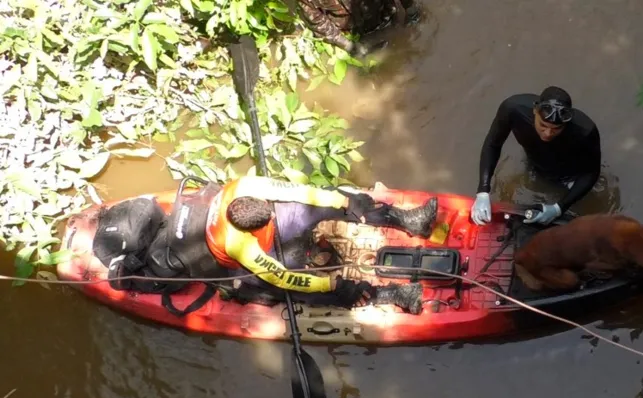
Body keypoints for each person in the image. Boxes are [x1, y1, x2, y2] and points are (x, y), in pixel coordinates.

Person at [204, 175, 438, 314]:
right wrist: (330, 284)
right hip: (257, 258)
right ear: (248, 230)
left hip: (267, 231)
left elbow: (302, 192)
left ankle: (409, 220)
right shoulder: (238, 244)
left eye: (269, 212)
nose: (273, 215)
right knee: (294, 289)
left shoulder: (247, 185)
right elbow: (281, 277)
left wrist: (345, 201)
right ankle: (393, 295)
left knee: (334, 200)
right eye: (267, 218)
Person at [470, 86, 602, 226]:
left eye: (556, 129)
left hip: (569, 175)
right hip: (534, 164)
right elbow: (493, 144)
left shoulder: (585, 131)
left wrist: (559, 208)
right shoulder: (513, 110)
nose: (547, 134)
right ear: (535, 111)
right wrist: (483, 191)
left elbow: (591, 172)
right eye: (543, 125)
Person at [296, 0, 419, 56]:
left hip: (383, 12)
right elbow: (317, 20)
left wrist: (410, 7)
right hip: (352, 28)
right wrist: (347, 45)